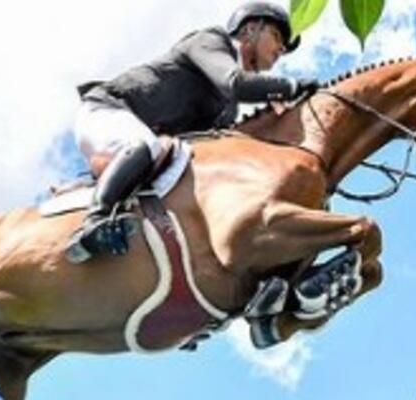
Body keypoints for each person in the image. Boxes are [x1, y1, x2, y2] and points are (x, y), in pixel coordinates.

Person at [67, 2, 319, 262]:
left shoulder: (227, 110)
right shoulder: (211, 40)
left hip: (145, 144)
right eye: (277, 37)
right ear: (250, 29)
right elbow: (235, 84)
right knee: (148, 145)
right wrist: (291, 86)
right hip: (106, 111)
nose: (280, 49)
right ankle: (94, 221)